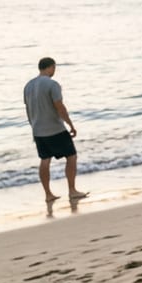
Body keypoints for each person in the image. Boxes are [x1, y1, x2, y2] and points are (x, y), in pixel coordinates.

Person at [22, 57, 87, 203]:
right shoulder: (52, 84)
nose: (54, 71)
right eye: (54, 68)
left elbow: (28, 109)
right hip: (55, 129)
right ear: (50, 67)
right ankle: (72, 190)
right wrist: (70, 124)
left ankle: (48, 194)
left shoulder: (28, 86)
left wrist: (33, 126)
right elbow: (59, 106)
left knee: (45, 160)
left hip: (38, 130)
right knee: (71, 156)